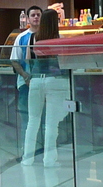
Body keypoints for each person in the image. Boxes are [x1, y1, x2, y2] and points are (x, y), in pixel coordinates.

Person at [18, 8, 69, 167]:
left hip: (36, 81)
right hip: (55, 80)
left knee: (33, 120)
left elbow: (27, 60)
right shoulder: (60, 39)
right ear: (56, 22)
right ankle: (49, 159)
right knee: (51, 123)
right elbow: (65, 62)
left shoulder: (33, 38)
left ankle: (27, 158)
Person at [10, 6, 43, 149]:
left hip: (44, 83)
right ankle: (27, 149)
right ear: (28, 18)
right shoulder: (21, 38)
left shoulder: (47, 36)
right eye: (33, 15)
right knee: (27, 117)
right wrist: (25, 77)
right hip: (26, 85)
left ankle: (42, 147)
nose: (36, 17)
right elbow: (14, 60)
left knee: (43, 118)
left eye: (38, 15)